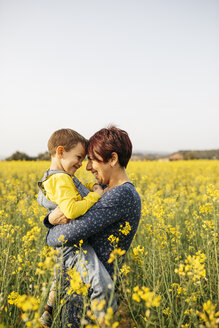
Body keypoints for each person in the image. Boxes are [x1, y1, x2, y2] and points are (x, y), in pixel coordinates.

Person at [44, 126, 142, 327]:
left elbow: (59, 238)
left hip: (89, 296)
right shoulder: (106, 191)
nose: (87, 167)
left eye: (92, 159)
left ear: (113, 159)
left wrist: (49, 224)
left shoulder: (120, 195)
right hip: (79, 288)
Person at [37, 128, 116, 328]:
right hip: (73, 245)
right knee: (101, 285)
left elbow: (71, 193)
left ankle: (48, 312)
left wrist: (90, 187)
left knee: (64, 281)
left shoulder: (55, 176)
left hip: (67, 242)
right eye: (79, 157)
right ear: (61, 152)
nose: (81, 164)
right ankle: (103, 323)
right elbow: (71, 210)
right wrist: (95, 196)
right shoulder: (61, 178)